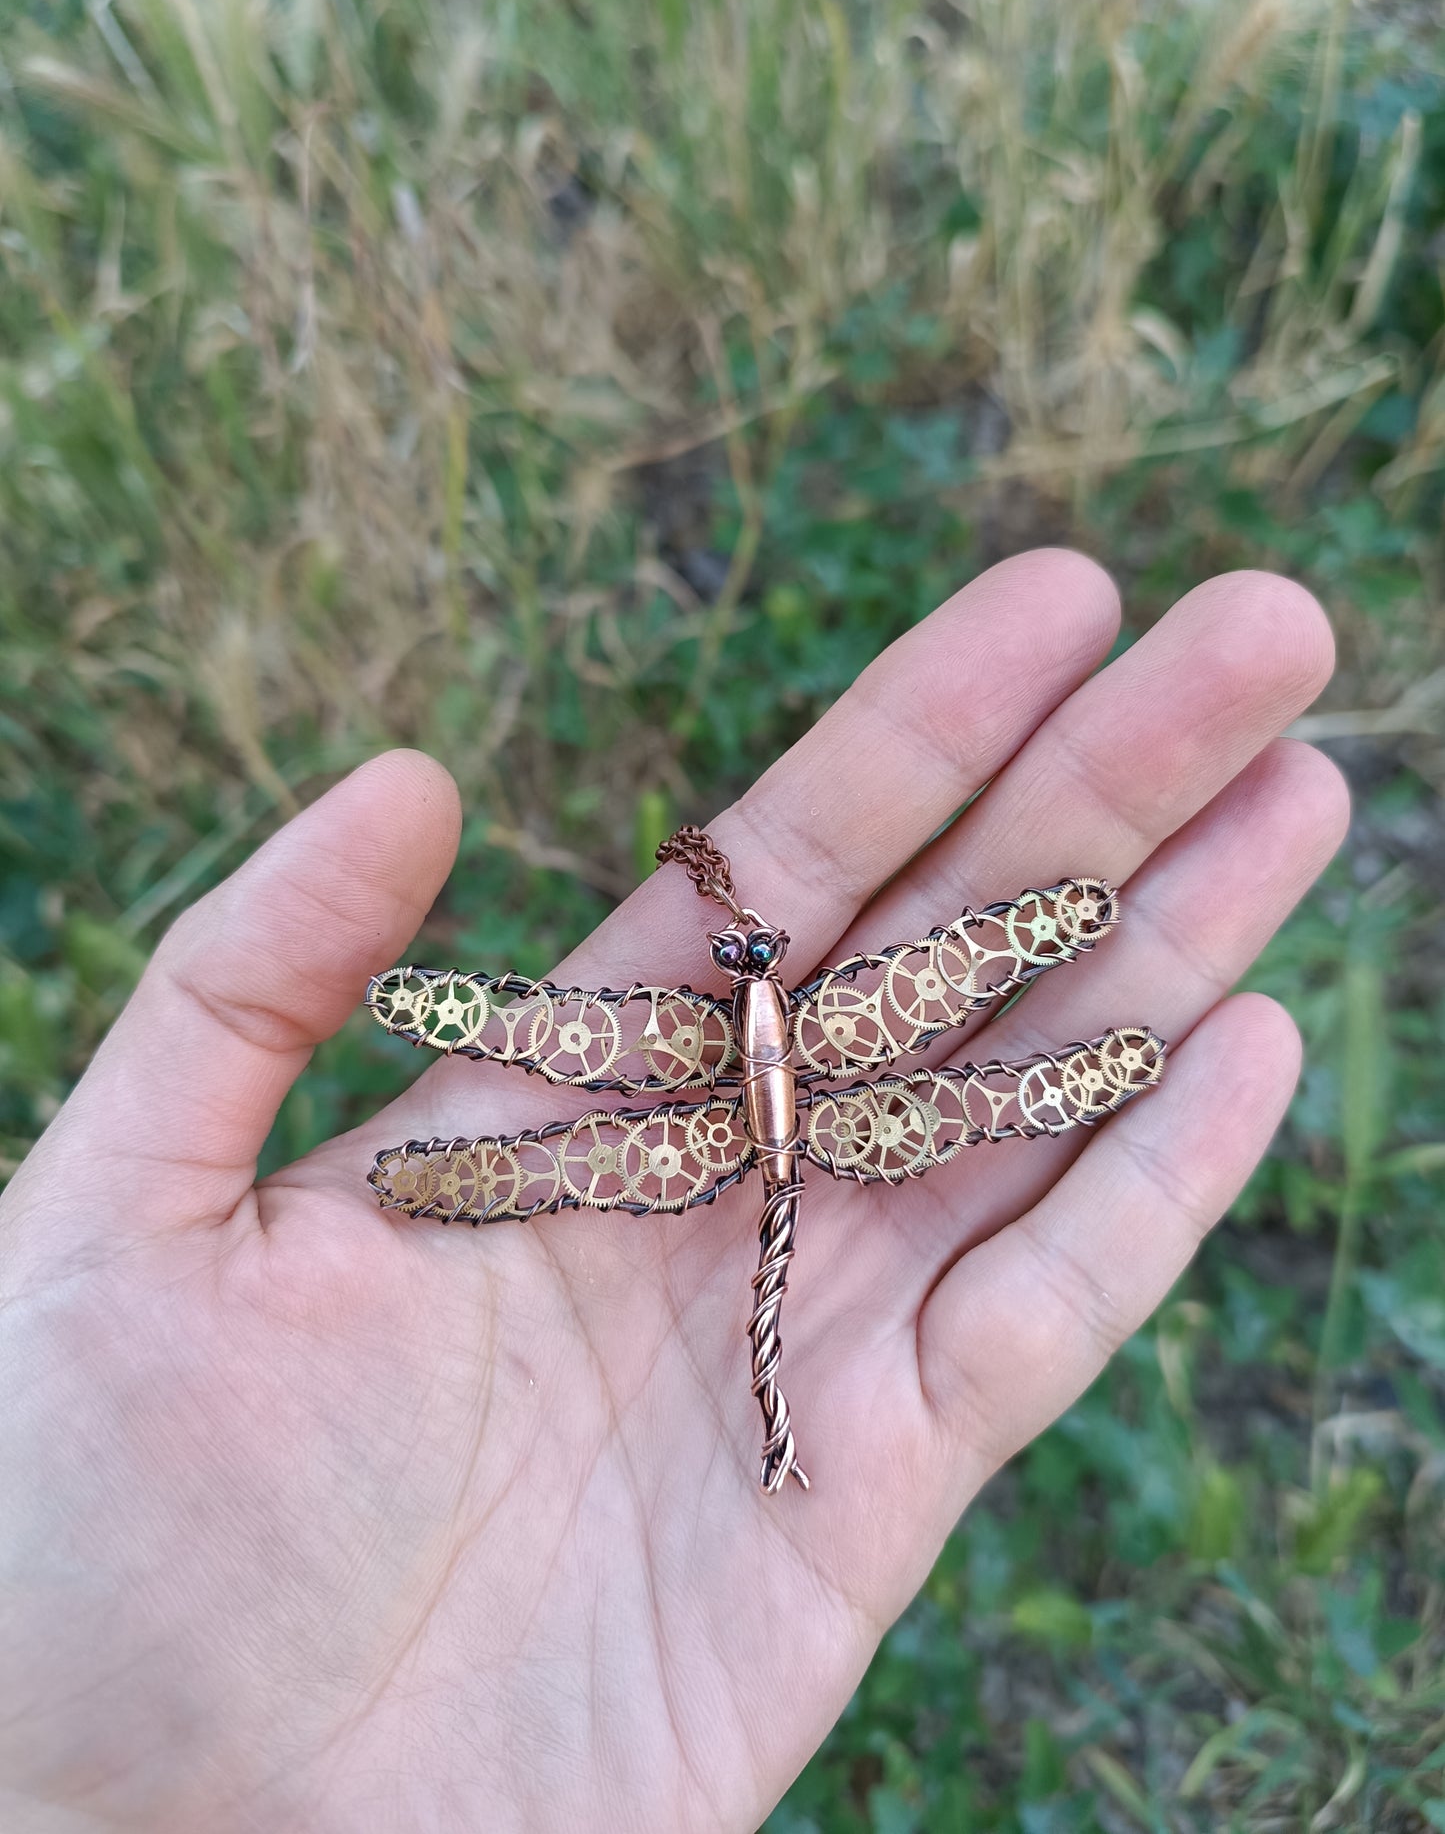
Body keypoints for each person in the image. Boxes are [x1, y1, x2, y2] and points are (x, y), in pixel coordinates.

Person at [0, 549, 1346, 1832]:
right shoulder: (797, 1017)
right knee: (974, 1100)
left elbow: (533, 1026)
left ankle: (773, 1418)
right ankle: (778, 1417)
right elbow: (958, 979)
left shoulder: (692, 1032)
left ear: (739, 966)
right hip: (820, 1134)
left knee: (639, 1157)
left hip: (746, 1150)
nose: (752, 958)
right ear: (753, 967)